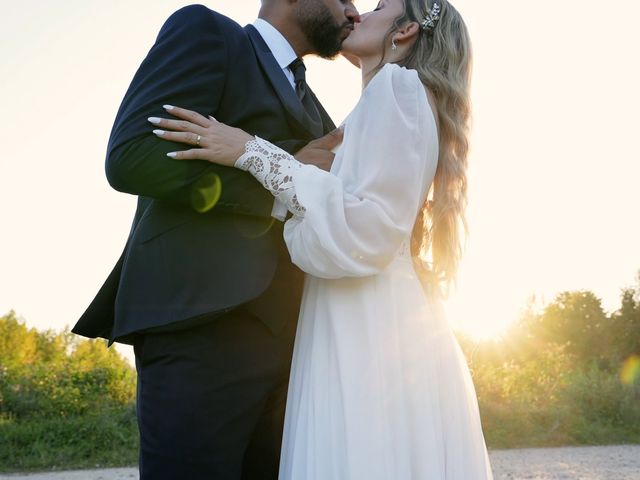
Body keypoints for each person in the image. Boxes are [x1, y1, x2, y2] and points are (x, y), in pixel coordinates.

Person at [151, 0, 494, 478]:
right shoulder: (379, 103)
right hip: (356, 313)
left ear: (406, 30)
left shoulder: (397, 88)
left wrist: (251, 152)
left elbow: (368, 231)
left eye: (376, 7)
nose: (358, 14)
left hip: (367, 321)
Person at [72, 1, 360, 479]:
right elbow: (132, 155)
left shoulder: (318, 108)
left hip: (295, 347)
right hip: (201, 331)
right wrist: (275, 178)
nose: (352, 11)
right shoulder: (210, 34)